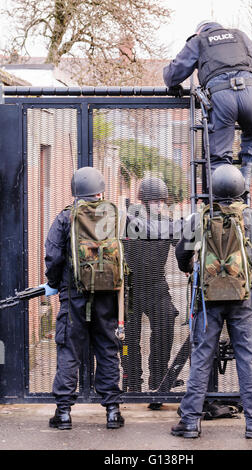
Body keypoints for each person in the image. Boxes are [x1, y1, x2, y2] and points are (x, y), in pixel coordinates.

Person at [171, 164, 252, 439]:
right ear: (242, 189)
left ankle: (191, 422)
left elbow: (182, 253)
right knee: (247, 358)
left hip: (208, 300)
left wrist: (189, 267)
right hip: (244, 299)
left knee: (202, 357)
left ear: (213, 191)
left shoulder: (200, 218)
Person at [42, 166, 124, 430]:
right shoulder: (113, 215)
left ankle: (63, 413)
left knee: (69, 350)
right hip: (107, 296)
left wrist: (54, 283)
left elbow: (53, 256)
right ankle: (112, 411)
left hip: (73, 294)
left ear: (74, 191)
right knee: (108, 349)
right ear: (100, 190)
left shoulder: (65, 218)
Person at [163, 20, 252, 192]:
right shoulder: (238, 35)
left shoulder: (199, 40)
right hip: (250, 92)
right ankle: (246, 176)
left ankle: (223, 206)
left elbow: (172, 75)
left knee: (219, 156)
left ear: (199, 31)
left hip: (221, 97)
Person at [123, 176, 180, 398]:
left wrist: (189, 260)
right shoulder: (127, 221)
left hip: (156, 284)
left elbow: (183, 247)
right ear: (144, 201)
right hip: (130, 286)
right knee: (128, 337)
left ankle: (158, 378)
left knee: (167, 320)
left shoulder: (167, 222)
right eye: (155, 200)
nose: (159, 204)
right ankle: (132, 380)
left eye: (162, 201)